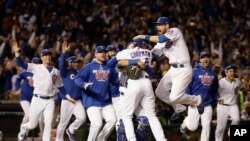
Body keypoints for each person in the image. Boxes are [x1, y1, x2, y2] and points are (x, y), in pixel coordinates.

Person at [133, 16, 203, 118]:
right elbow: (152, 55)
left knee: (174, 97)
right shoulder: (160, 43)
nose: (158, 27)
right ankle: (179, 108)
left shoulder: (175, 31)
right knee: (159, 92)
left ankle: (198, 100)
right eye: (157, 25)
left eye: (160, 24)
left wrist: (142, 36)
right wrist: (141, 58)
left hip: (184, 69)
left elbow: (162, 38)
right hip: (173, 69)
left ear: (167, 25)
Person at [10, 40, 69, 141]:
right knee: (33, 124)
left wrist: (68, 97)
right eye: (45, 55)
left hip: (50, 101)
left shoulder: (56, 72)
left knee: (48, 124)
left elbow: (60, 86)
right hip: (37, 100)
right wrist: (16, 52)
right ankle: (24, 128)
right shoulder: (35, 67)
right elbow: (20, 63)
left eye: (49, 55)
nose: (48, 57)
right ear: (41, 58)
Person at [114, 39, 167, 141]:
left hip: (131, 86)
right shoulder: (148, 53)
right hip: (146, 83)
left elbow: (118, 62)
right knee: (151, 116)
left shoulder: (127, 52)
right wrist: (143, 65)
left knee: (126, 117)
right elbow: (152, 72)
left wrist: (134, 60)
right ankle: (162, 139)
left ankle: (132, 139)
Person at [74, 46, 117, 141]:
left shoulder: (109, 67)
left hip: (106, 102)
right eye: (100, 52)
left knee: (113, 120)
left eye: (104, 52)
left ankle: (101, 139)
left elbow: (115, 81)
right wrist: (84, 84)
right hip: (91, 101)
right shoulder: (89, 66)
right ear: (95, 54)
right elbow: (77, 78)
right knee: (97, 124)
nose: (103, 54)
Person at [179, 51, 220, 141]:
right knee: (193, 127)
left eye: (207, 57)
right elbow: (188, 87)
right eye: (203, 57)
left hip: (207, 104)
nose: (206, 59)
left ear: (210, 59)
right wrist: (186, 99)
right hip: (194, 103)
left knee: (206, 128)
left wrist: (218, 98)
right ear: (200, 60)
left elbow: (215, 90)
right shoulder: (193, 72)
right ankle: (186, 121)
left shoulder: (213, 74)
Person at [55, 41, 86, 141]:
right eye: (73, 62)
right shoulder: (65, 71)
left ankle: (71, 129)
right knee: (63, 123)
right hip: (67, 101)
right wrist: (64, 53)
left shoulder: (80, 73)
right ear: (69, 63)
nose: (75, 63)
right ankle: (58, 139)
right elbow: (60, 65)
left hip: (76, 101)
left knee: (82, 117)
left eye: (76, 62)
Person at [215, 65, 242, 141]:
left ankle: (230, 133)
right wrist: (218, 98)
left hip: (233, 105)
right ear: (226, 73)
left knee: (236, 119)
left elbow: (238, 90)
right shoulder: (221, 82)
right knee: (221, 127)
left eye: (233, 71)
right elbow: (214, 91)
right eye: (230, 71)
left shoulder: (237, 81)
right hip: (222, 106)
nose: (232, 73)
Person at [15, 57, 42, 131]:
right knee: (30, 115)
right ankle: (22, 133)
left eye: (38, 63)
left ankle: (23, 134)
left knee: (27, 117)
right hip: (24, 98)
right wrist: (17, 88)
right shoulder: (26, 71)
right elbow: (18, 78)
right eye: (35, 63)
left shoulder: (42, 74)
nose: (37, 64)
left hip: (35, 100)